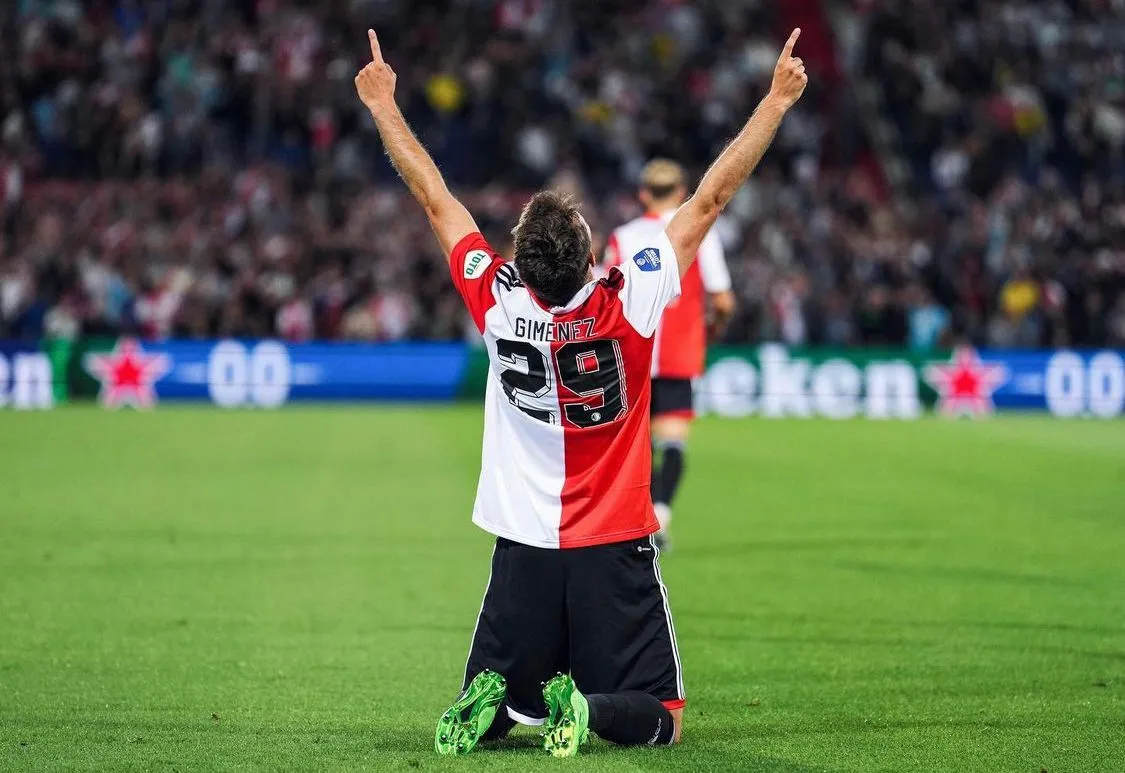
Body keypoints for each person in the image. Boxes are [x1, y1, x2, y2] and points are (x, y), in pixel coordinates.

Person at [354, 26, 807, 757]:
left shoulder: (497, 300)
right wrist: (775, 102)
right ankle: (588, 711)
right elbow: (711, 197)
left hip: (521, 543)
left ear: (518, 262)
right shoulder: (631, 300)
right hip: (614, 539)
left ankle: (496, 708)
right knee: (661, 715)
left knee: (511, 686)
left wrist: (382, 105)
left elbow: (435, 198)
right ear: (591, 251)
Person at [605, 159, 735, 548]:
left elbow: (607, 295)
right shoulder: (700, 235)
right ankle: (660, 515)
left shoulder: (622, 236)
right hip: (679, 354)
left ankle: (634, 522)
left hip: (632, 357)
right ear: (681, 193)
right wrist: (710, 329)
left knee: (634, 446)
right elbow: (724, 300)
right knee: (674, 442)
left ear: (643, 194)